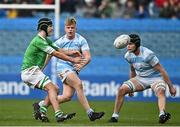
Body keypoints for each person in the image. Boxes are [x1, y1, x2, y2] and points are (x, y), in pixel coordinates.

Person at [33, 17, 105, 121]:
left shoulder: (81, 40)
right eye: (68, 27)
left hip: (73, 70)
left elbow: (88, 57)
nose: (70, 29)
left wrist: (81, 65)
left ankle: (40, 105)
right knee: (79, 84)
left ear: (75, 28)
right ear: (65, 29)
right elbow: (49, 54)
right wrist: (42, 67)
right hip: (63, 68)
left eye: (72, 27)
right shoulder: (60, 41)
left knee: (67, 96)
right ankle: (90, 113)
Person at [21, 17, 83, 123]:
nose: (52, 29)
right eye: (50, 26)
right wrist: (73, 60)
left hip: (32, 72)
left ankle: (42, 110)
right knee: (53, 89)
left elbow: (60, 50)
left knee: (55, 89)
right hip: (30, 71)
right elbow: (56, 54)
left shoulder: (46, 40)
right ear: (44, 27)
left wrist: (73, 52)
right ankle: (58, 114)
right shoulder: (38, 41)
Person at [109, 34, 176, 124]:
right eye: (127, 44)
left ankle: (162, 114)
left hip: (155, 78)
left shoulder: (148, 54)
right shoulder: (128, 56)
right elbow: (132, 69)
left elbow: (161, 70)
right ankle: (114, 116)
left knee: (160, 91)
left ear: (137, 44)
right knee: (122, 89)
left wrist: (171, 87)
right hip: (140, 78)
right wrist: (131, 89)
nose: (127, 46)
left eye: (130, 44)